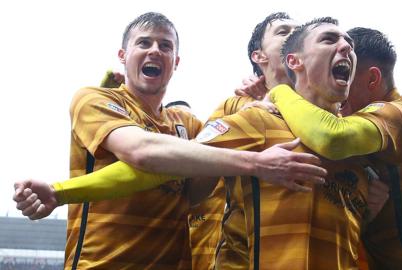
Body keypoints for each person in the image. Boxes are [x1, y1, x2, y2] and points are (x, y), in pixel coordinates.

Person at [13, 12, 327, 270]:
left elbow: (195, 194)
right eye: (144, 43)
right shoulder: (94, 99)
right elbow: (141, 152)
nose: (155, 51)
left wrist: (247, 116)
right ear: (123, 55)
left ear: (175, 62)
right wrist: (257, 163)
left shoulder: (188, 125)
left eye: (165, 46)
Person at [268, 27, 402, 269]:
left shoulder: (400, 114)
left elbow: (333, 138)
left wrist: (279, 92)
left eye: (348, 81)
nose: (341, 97)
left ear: (372, 79)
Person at [200, 17, 374, 270]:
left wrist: (372, 207)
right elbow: (185, 171)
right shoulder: (250, 113)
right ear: (293, 59)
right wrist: (254, 162)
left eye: (349, 42)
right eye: (284, 31)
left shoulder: (352, 133)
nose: (346, 47)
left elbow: (346, 222)